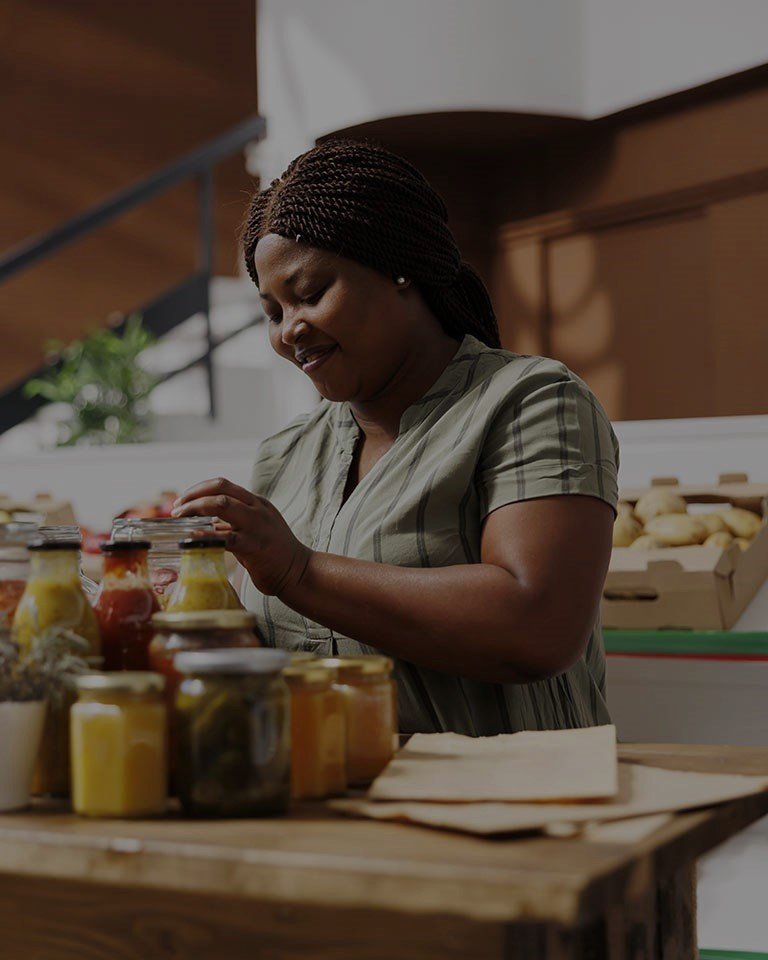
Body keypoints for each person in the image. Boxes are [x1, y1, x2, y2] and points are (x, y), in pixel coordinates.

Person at [172, 138, 619, 735]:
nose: (290, 331)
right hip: (329, 804)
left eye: (310, 294)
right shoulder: (285, 454)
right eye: (273, 312)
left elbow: (536, 627)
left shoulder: (531, 401)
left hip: (510, 808)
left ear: (399, 266)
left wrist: (299, 571)